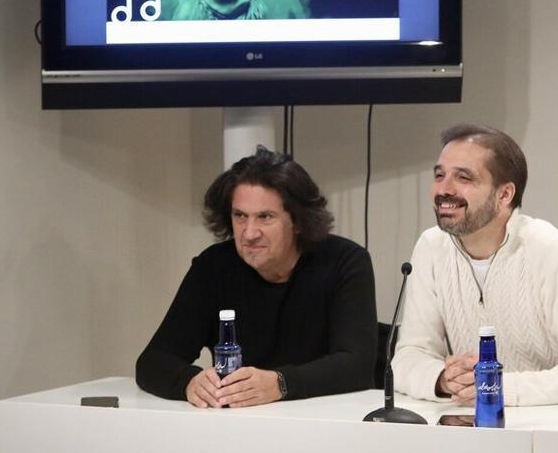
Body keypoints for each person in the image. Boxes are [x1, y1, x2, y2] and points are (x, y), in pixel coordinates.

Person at [391, 124, 558, 406]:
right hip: (477, 429)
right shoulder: (431, 247)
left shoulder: (552, 251)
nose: (444, 189)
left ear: (504, 194)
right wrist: (442, 379)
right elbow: (408, 356)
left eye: (464, 178)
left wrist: (495, 386)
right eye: (439, 175)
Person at [136, 146, 377, 407]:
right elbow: (152, 361)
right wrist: (189, 382)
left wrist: (280, 384)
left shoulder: (345, 261)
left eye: (265, 217)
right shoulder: (214, 266)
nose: (249, 233)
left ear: (297, 221)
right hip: (240, 427)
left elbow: (357, 365)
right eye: (240, 216)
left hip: (326, 422)